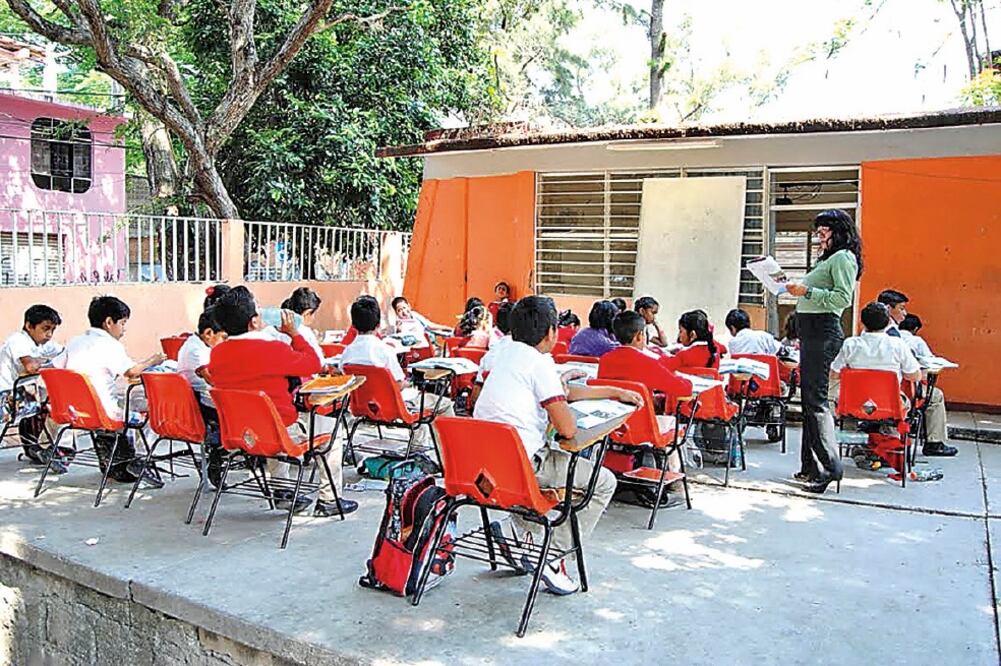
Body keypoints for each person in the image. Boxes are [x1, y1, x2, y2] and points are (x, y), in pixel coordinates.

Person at [474, 295, 642, 596]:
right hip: (524, 466)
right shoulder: (538, 364)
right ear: (551, 332)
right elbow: (567, 429)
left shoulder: (506, 354)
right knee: (602, 482)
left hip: (482, 467)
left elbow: (564, 391)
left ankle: (521, 531)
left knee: (555, 470)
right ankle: (554, 554)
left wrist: (614, 391)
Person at [209, 286, 356, 517]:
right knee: (332, 432)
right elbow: (314, 364)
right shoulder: (272, 349)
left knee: (271, 421)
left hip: (242, 434)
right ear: (254, 322)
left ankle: (283, 491)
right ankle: (330, 499)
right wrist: (294, 334)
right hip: (280, 433)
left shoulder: (216, 354)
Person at [785, 209, 861, 493]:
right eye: (817, 232)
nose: (819, 237)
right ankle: (809, 465)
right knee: (808, 401)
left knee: (816, 402)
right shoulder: (827, 260)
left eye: (823, 232)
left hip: (822, 330)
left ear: (838, 231)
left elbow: (842, 298)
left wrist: (807, 293)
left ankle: (831, 467)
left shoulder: (843, 258)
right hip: (811, 330)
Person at [60, 296, 166, 484]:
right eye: (123, 323)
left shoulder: (74, 342)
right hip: (105, 414)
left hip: (78, 413)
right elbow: (131, 372)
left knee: (130, 401)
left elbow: (53, 369)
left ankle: (125, 456)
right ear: (109, 322)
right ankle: (140, 458)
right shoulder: (110, 345)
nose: (124, 330)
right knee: (158, 408)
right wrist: (153, 361)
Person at [340, 295, 454, 442]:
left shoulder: (347, 352)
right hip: (395, 406)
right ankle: (447, 448)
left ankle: (419, 447)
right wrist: (410, 382)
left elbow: (344, 375)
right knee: (443, 403)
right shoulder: (383, 350)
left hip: (362, 407)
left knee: (420, 407)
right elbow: (398, 385)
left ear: (353, 325)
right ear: (378, 324)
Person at [599, 311, 694, 485]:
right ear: (639, 336)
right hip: (643, 430)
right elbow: (683, 388)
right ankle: (674, 481)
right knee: (672, 423)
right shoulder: (647, 363)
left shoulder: (605, 360)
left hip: (612, 427)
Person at [830, 302, 925, 477]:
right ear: (888, 322)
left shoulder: (850, 344)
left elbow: (834, 374)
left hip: (853, 405)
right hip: (890, 406)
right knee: (903, 405)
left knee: (840, 401)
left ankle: (857, 443)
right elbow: (915, 376)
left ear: (862, 323)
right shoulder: (897, 345)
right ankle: (889, 449)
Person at [0, 305, 66, 470]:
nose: (49, 335)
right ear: (29, 326)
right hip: (5, 397)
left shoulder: (42, 344)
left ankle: (38, 447)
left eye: (52, 330)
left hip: (21, 395)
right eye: (45, 329)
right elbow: (31, 367)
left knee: (51, 398)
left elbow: (65, 353)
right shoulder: (18, 341)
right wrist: (50, 364)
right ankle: (43, 447)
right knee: (55, 406)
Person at [896, 313, 954, 456]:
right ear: (915, 329)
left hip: (878, 394)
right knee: (936, 396)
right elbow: (929, 363)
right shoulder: (916, 341)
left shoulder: (888, 338)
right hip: (906, 392)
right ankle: (934, 442)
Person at [281, 287, 324, 359]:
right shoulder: (306, 332)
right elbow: (320, 361)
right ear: (307, 313)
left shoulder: (274, 330)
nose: (313, 317)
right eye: (313, 314)